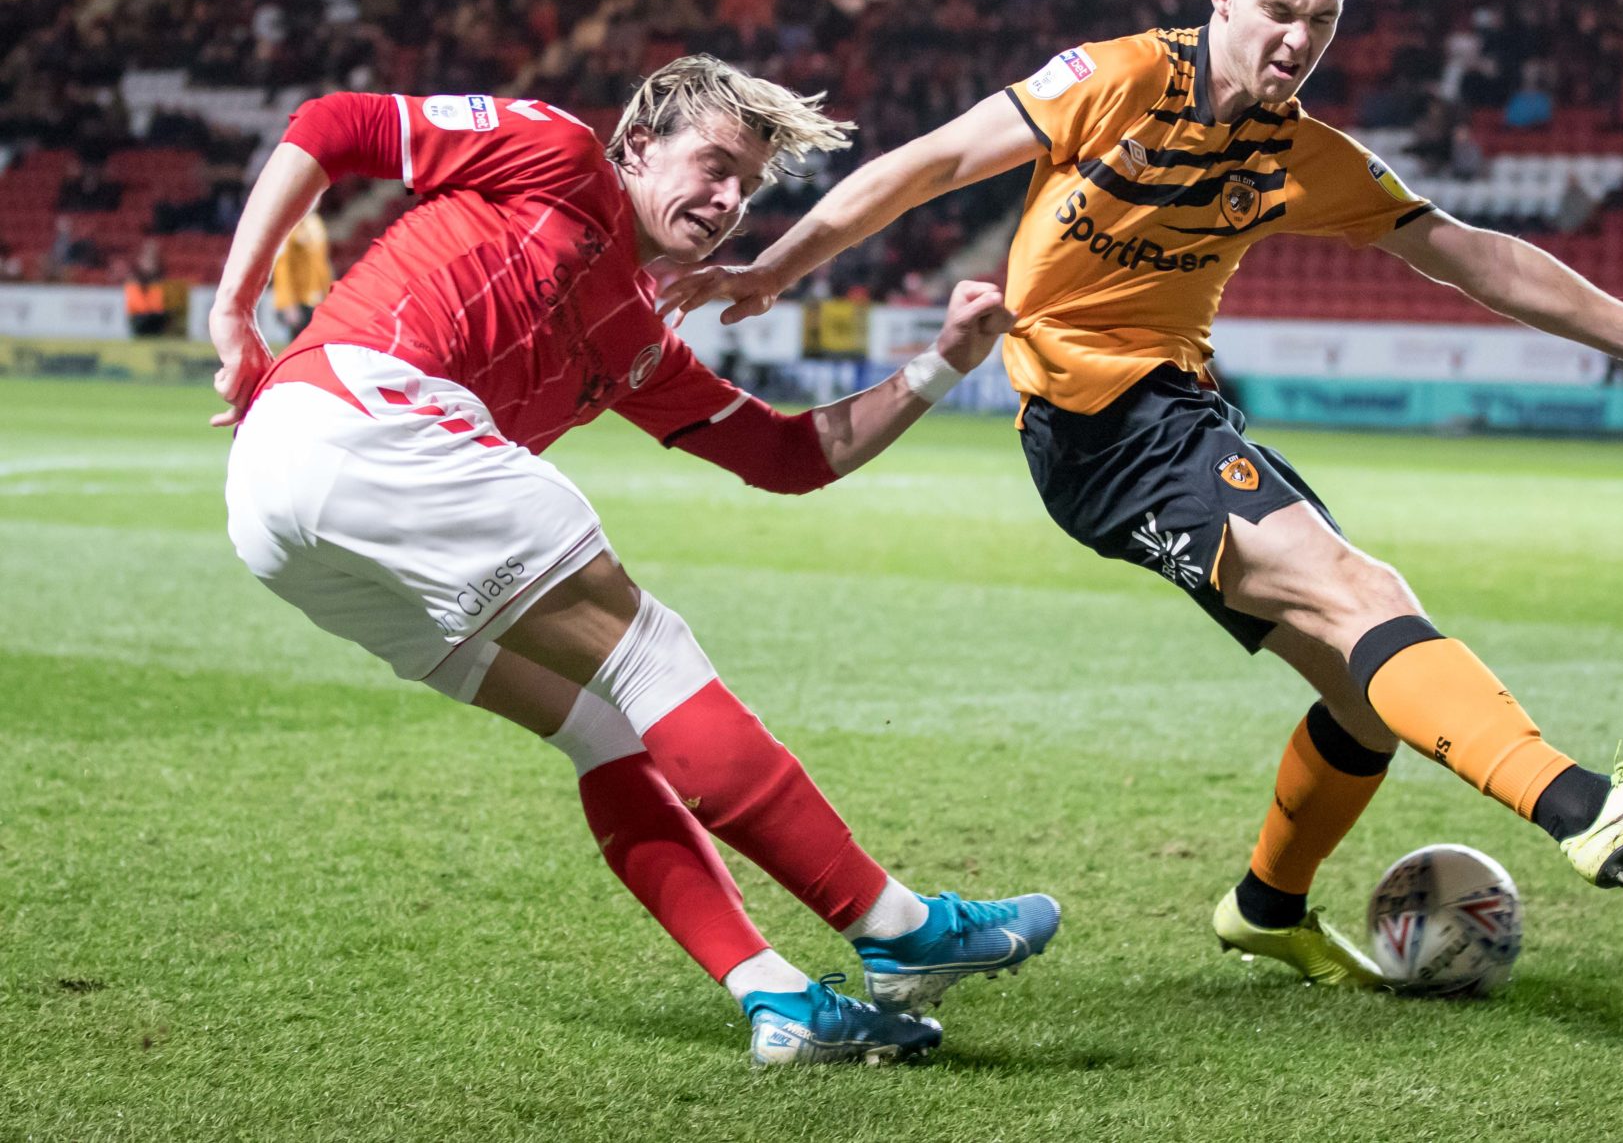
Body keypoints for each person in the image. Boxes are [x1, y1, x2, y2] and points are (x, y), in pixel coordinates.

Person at [661, 0, 1623, 991]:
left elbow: (1471, 252)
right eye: (1280, 10)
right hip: (1103, 429)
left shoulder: (1300, 153)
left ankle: (1265, 907)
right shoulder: (1116, 79)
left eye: (1322, 19)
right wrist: (778, 265)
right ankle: (1581, 804)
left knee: (1365, 689)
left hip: (1176, 415)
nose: (1298, 39)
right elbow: (933, 163)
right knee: (1362, 591)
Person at [207, 58, 1060, 1067]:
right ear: (640, 145)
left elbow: (790, 457)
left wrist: (942, 362)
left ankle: (777, 997)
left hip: (281, 507)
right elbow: (332, 122)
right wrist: (236, 304)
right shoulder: (559, 156)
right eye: (714, 165)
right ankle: (900, 928)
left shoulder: (641, 342)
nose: (729, 200)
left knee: (606, 729)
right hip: (361, 411)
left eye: (748, 186)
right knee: (651, 658)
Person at [270, 206, 332, 342]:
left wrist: (328, 295)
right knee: (299, 344)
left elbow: (322, 263)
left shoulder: (315, 223)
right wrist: (288, 303)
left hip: (317, 298)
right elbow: (282, 268)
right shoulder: (289, 226)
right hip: (299, 299)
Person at [124, 239, 169, 336]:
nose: (149, 265)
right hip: (139, 317)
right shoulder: (133, 280)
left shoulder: (158, 281)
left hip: (154, 317)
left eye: (152, 261)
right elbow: (137, 305)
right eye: (147, 261)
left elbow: (157, 305)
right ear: (140, 261)